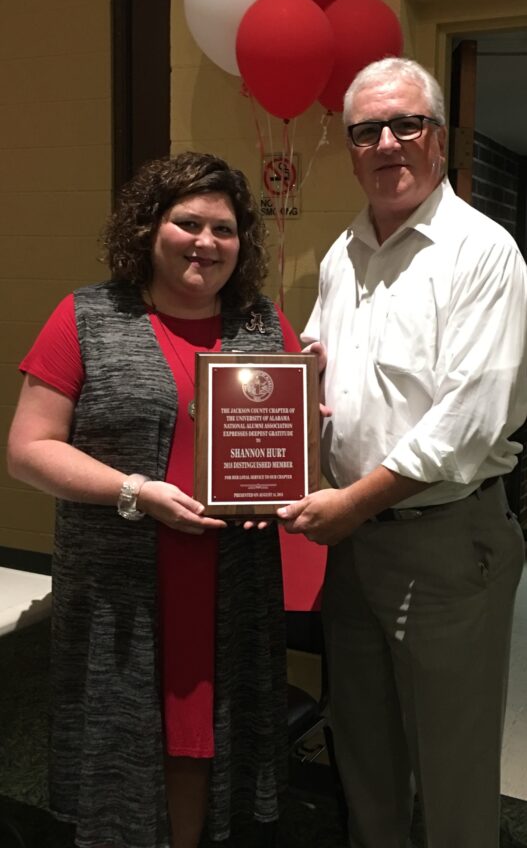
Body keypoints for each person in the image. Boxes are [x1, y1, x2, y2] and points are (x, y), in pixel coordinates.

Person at [7, 151, 302, 848]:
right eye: (187, 222)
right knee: (125, 732)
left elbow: (285, 443)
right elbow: (29, 450)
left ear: (242, 243)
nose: (205, 242)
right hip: (122, 584)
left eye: (224, 229)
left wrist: (300, 443)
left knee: (205, 730)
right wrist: (136, 491)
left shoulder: (262, 326)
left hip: (229, 579)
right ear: (149, 228)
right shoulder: (87, 316)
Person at [277, 57, 527, 848]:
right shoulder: (341, 253)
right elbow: (321, 365)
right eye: (365, 131)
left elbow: (468, 420)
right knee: (365, 752)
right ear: (349, 149)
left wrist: (348, 504)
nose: (386, 144)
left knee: (451, 769)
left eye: (405, 124)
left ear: (439, 137)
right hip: (354, 550)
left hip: (445, 544)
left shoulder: (482, 253)